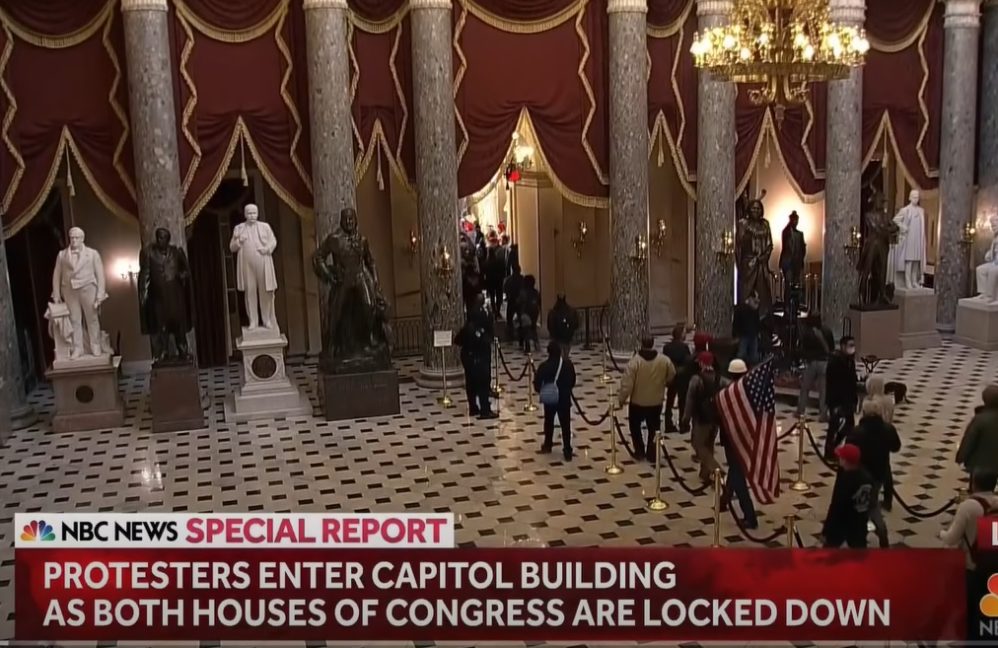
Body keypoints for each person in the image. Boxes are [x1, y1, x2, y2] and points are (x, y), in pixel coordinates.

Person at [939, 471, 998, 643]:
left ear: (974, 483)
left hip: (972, 565)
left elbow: (952, 538)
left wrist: (942, 533)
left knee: (968, 605)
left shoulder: (969, 506)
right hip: (993, 564)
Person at [847, 399, 901, 548]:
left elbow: (848, 452)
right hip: (879, 473)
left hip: (860, 475)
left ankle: (873, 534)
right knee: (871, 503)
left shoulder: (857, 432)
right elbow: (896, 446)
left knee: (864, 506)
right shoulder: (888, 429)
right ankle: (873, 534)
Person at [618, 335, 677, 462]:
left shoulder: (635, 362)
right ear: (652, 343)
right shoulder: (664, 360)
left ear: (642, 344)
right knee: (654, 428)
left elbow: (627, 384)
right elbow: (672, 373)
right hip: (656, 401)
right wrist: (664, 382)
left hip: (638, 402)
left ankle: (639, 451)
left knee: (635, 426)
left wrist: (621, 400)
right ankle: (652, 453)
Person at [51, 226, 108, 359]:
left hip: (88, 288)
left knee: (92, 318)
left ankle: (95, 345)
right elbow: (56, 275)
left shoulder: (92, 254)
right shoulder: (62, 255)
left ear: (82, 239)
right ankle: (78, 348)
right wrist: (56, 294)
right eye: (72, 238)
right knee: (74, 320)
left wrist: (100, 294)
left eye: (76, 237)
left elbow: (100, 275)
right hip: (69, 291)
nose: (74, 240)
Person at [719, 359, 758, 529]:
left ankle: (750, 516)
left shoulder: (728, 393)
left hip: (733, 440)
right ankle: (724, 500)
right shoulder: (752, 391)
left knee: (737, 476)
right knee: (735, 470)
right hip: (748, 438)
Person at [822, 443, 874, 548]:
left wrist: (827, 530)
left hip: (842, 524)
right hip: (860, 524)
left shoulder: (846, 480)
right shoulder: (866, 476)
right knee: (858, 554)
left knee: (829, 551)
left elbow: (837, 507)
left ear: (845, 460)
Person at [454, 294, 497, 420]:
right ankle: (485, 410)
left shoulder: (467, 328)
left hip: (468, 358)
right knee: (483, 384)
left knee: (471, 384)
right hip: (478, 359)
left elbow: (457, 340)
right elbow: (486, 341)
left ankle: (473, 408)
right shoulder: (479, 331)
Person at [533, 341, 577, 461]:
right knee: (566, 424)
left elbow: (537, 385)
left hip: (550, 398)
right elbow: (573, 381)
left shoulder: (544, 366)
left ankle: (548, 444)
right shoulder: (568, 365)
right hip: (564, 398)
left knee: (549, 422)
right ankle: (567, 449)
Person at [683, 351, 722, 482]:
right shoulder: (719, 378)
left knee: (698, 444)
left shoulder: (696, 379)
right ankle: (705, 473)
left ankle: (716, 469)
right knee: (709, 444)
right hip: (715, 417)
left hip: (701, 417)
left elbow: (690, 400)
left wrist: (685, 418)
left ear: (701, 363)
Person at [864, 375, 896, 510]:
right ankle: (888, 499)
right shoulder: (889, 400)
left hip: (874, 436)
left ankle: (870, 499)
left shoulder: (873, 402)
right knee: (886, 469)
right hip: (886, 434)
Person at [825, 335, 859, 459]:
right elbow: (832, 385)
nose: (852, 348)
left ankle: (842, 447)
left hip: (848, 399)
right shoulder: (835, 362)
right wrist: (833, 404)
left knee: (849, 425)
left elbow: (852, 382)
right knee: (834, 426)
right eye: (850, 345)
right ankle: (829, 450)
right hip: (837, 401)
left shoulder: (850, 361)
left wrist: (855, 399)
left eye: (853, 345)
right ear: (843, 346)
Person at [797, 315, 833, 421]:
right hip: (824, 362)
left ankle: (800, 410)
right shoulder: (827, 330)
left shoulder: (807, 333)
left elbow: (803, 349)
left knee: (805, 388)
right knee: (823, 390)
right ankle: (823, 414)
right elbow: (831, 348)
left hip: (811, 362)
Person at [957, 384, 998, 479]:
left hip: (979, 463)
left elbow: (969, 440)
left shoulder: (980, 419)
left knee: (978, 484)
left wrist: (961, 456)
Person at [662, 325, 692, 433]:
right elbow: (688, 362)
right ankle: (683, 425)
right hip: (682, 377)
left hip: (671, 376)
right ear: (681, 334)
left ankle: (668, 423)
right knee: (682, 401)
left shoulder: (667, 347)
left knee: (669, 400)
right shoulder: (684, 347)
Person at [732, 293, 761, 365]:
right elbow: (737, 322)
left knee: (750, 355)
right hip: (744, 334)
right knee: (743, 354)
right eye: (755, 299)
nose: (756, 301)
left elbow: (756, 322)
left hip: (750, 334)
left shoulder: (751, 309)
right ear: (750, 299)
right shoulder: (743, 309)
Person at [483, 237, 507, 319]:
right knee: (499, 296)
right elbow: (503, 270)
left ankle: (494, 310)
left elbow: (484, 273)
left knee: (492, 296)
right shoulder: (499, 261)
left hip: (490, 281)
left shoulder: (486, 262)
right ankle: (498, 310)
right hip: (498, 281)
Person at [517, 275, 541, 353]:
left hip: (525, 313)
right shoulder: (536, 292)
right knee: (533, 328)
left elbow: (519, 302)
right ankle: (536, 344)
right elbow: (539, 302)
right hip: (534, 312)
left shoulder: (523, 292)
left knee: (526, 330)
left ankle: (527, 347)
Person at [503, 265, 524, 342]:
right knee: (521, 319)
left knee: (509, 319)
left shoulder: (508, 279)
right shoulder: (522, 279)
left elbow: (505, 289)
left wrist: (508, 296)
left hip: (511, 301)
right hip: (519, 301)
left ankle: (510, 335)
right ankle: (521, 336)